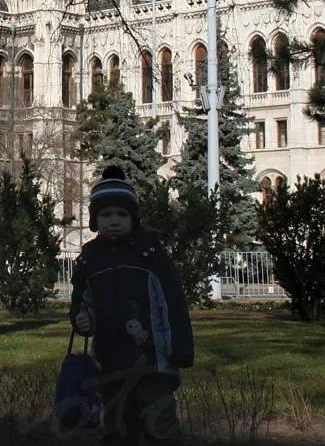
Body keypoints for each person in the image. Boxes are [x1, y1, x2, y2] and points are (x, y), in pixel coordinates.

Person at [69, 166, 193, 445]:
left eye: (122, 215)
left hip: (153, 362)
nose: (114, 221)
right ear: (94, 219)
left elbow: (173, 300)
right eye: (106, 215)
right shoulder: (91, 258)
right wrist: (80, 319)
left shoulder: (149, 253)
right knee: (117, 429)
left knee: (160, 427)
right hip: (111, 364)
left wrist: (181, 349)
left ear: (133, 218)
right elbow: (80, 303)